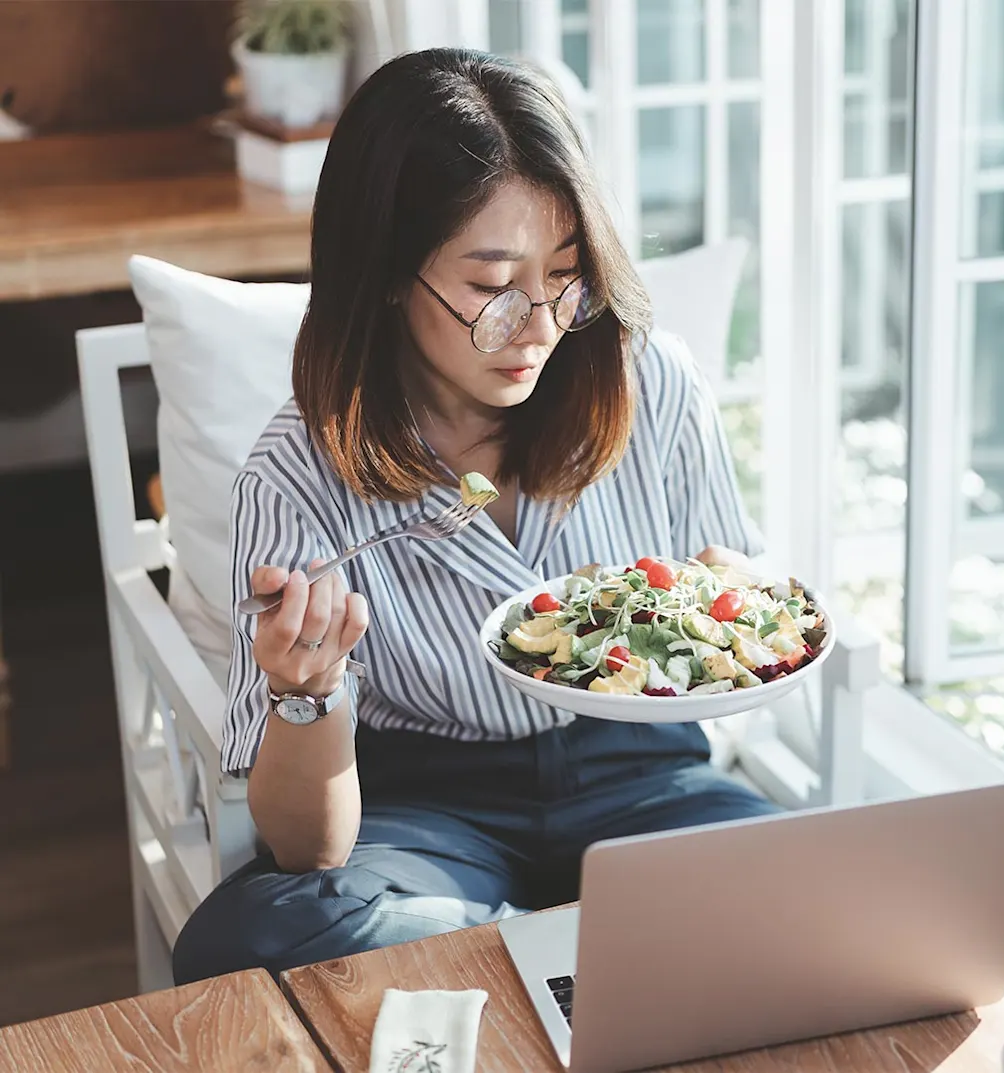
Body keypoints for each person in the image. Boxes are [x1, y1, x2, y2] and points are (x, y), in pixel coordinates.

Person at [172, 47, 780, 985]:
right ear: (384, 270)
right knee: (250, 942)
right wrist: (307, 690)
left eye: (565, 276)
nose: (537, 325)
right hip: (424, 811)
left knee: (817, 888)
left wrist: (732, 616)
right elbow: (307, 850)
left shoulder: (651, 384)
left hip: (645, 772)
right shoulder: (295, 476)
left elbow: (733, 595)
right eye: (492, 287)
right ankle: (575, 950)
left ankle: (512, 957)